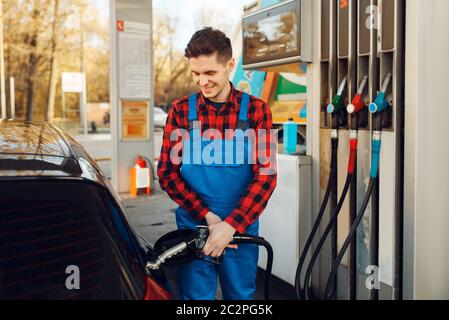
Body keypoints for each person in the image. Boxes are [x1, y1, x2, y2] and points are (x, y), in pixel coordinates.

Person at [157, 27, 277, 300]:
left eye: (210, 73)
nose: (202, 82)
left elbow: (266, 177)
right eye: (196, 74)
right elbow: (167, 173)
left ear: (230, 65)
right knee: (196, 298)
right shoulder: (181, 112)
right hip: (195, 228)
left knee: (241, 297)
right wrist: (210, 218)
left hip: (241, 228)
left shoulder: (258, 112)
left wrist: (231, 225)